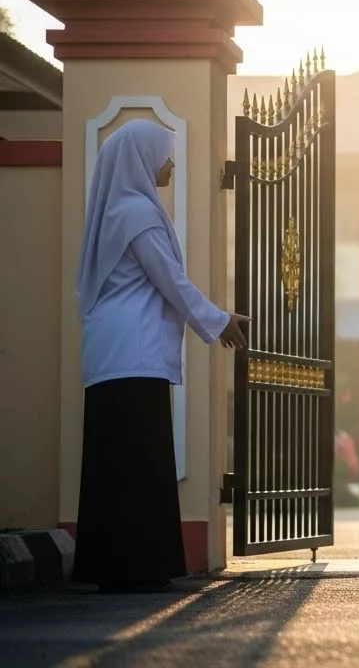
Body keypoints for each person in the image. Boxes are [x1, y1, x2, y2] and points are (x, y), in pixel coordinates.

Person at [72, 119, 250, 593]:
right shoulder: (139, 215)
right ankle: (141, 567)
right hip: (135, 351)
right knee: (141, 459)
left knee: (115, 460)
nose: (171, 163)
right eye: (165, 154)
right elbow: (171, 282)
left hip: (112, 351)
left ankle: (112, 567)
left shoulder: (116, 210)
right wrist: (218, 320)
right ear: (144, 158)